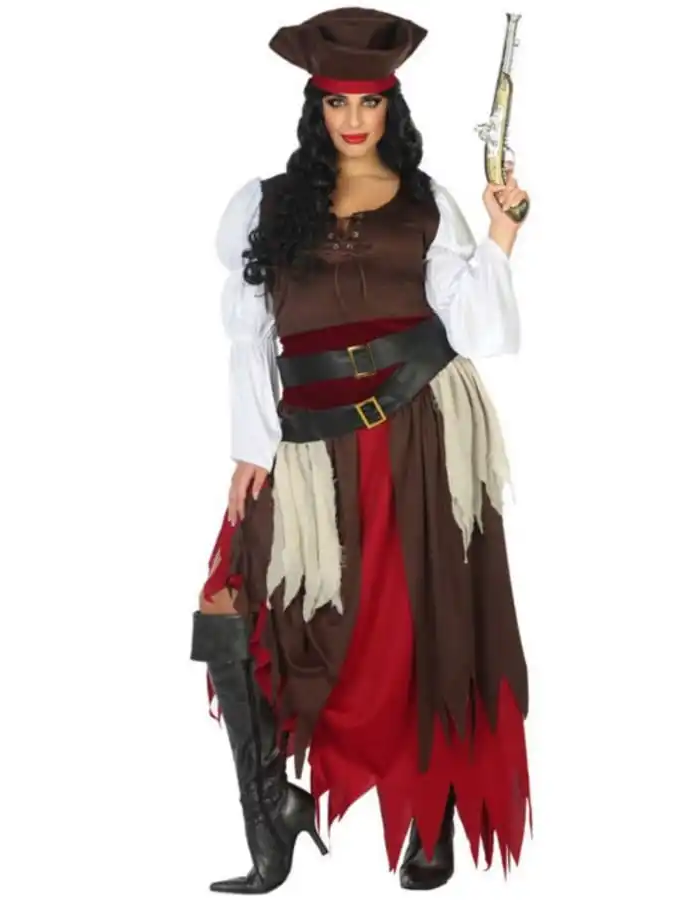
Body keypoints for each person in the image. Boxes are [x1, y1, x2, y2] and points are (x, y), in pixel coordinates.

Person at [190, 7, 532, 894]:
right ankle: (272, 813)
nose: (353, 119)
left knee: (419, 620)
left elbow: (476, 330)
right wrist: (249, 447)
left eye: (369, 102)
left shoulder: (428, 205)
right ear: (316, 107)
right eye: (337, 102)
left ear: (391, 107)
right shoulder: (266, 206)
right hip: (306, 448)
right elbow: (250, 337)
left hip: (418, 432)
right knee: (235, 603)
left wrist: (502, 230)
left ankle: (430, 807)